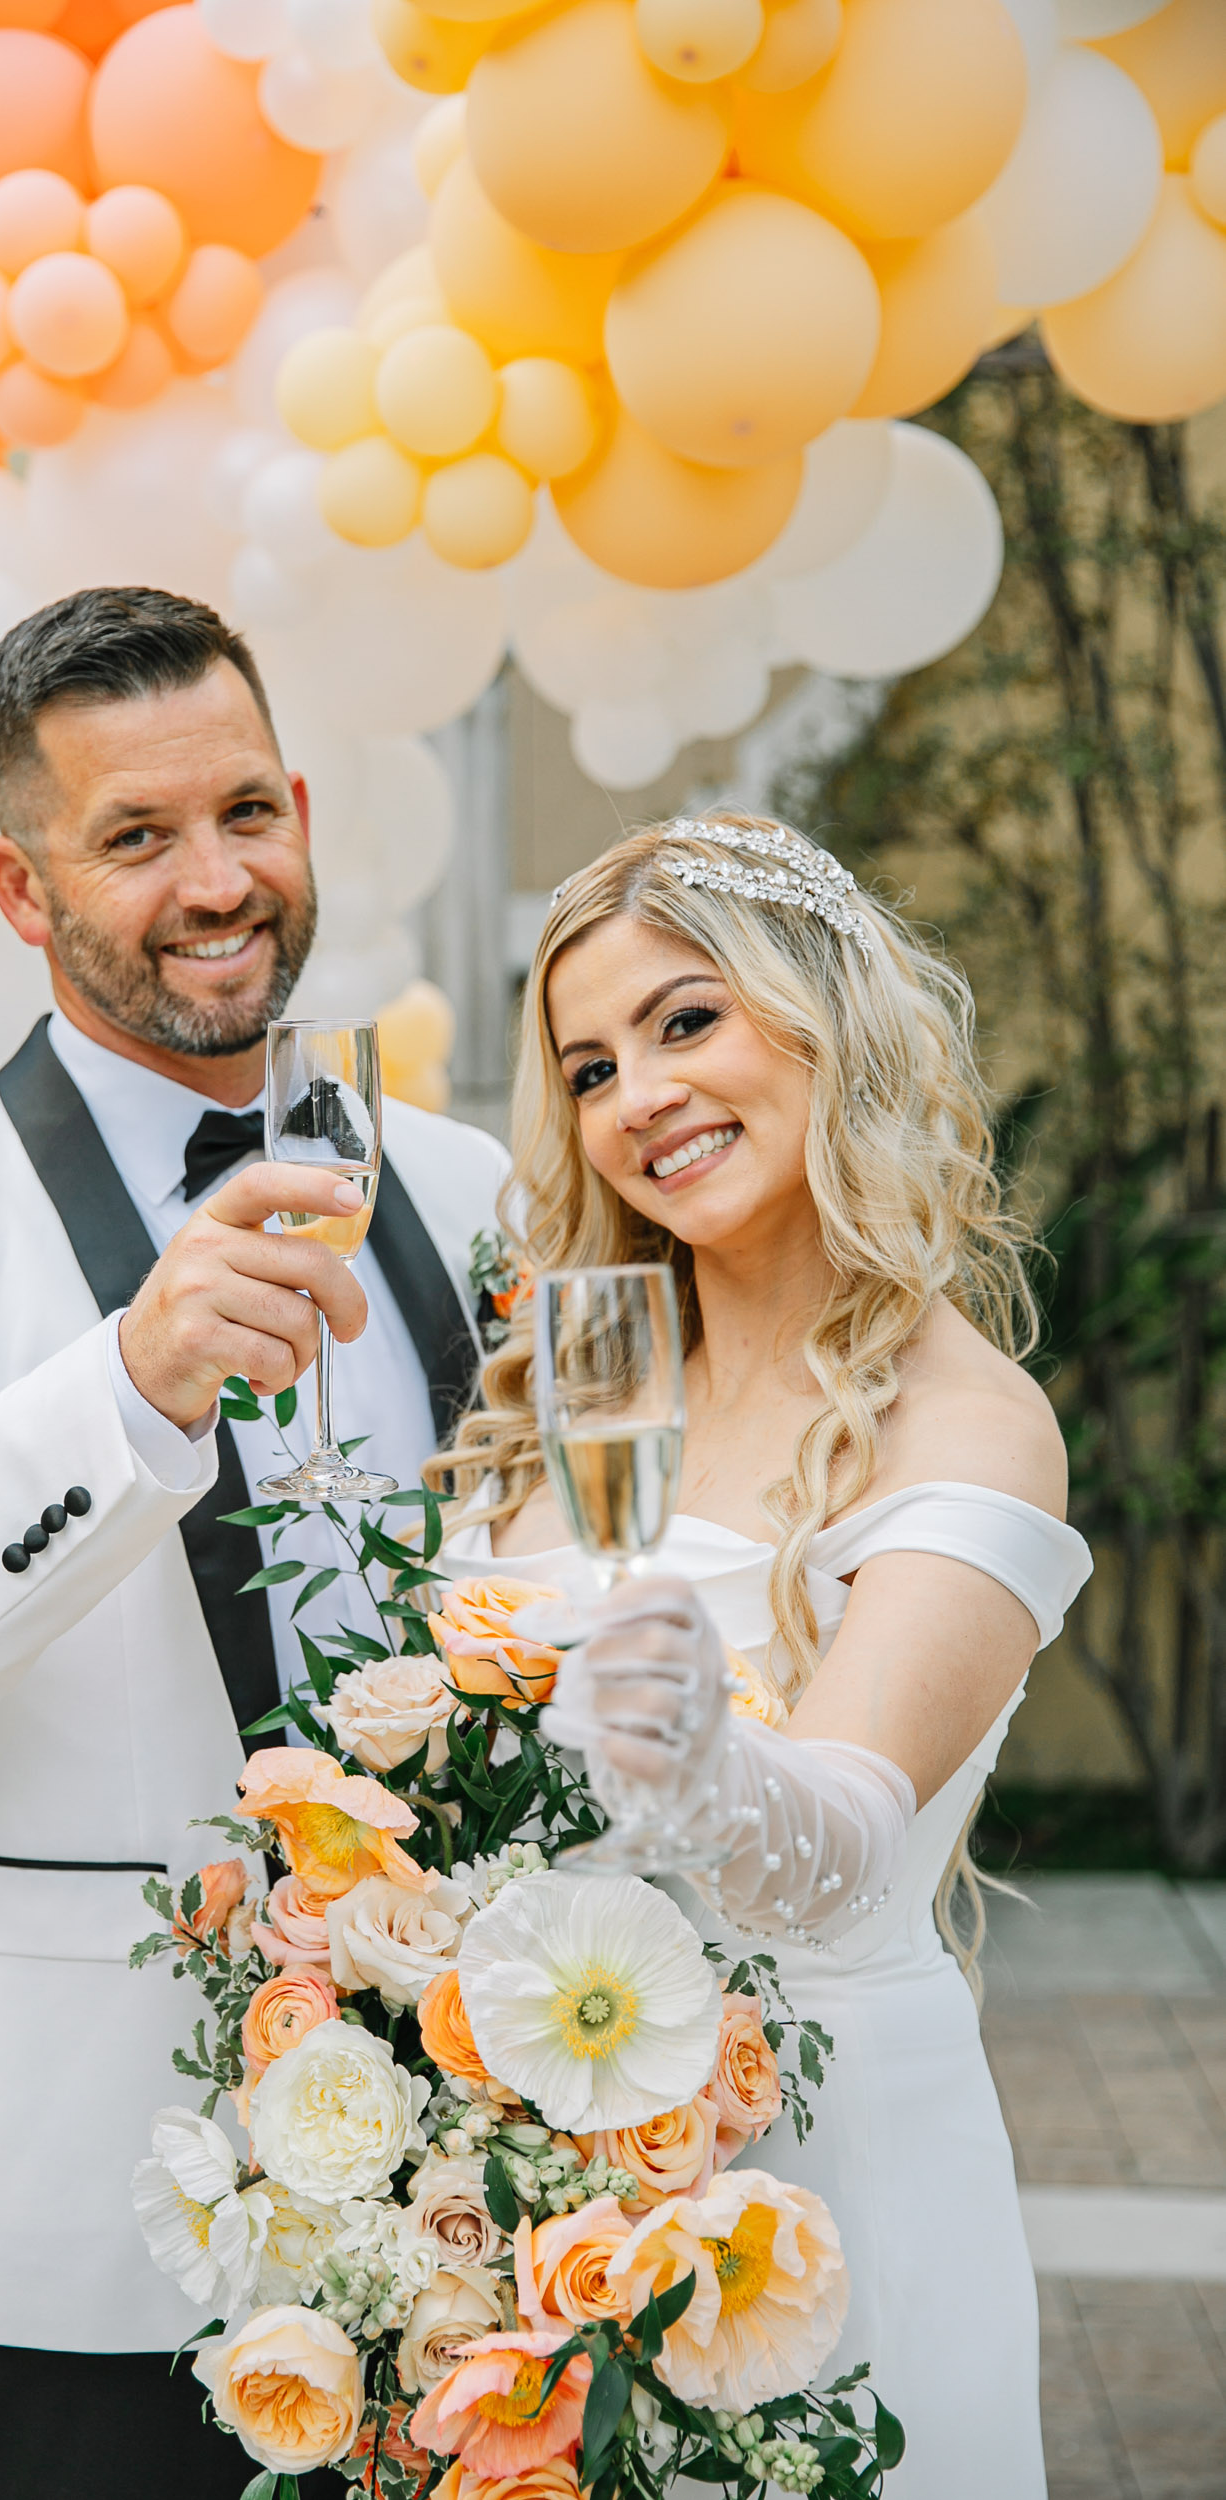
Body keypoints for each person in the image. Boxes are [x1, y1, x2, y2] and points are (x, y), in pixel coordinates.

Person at [0, 587, 508, 2498]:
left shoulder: (472, 1185)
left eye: (245, 812)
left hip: (468, 2237)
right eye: (136, 837)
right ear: (21, 886)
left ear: (303, 811)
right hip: (72, 2249)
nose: (215, 882)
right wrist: (125, 1394)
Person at [431, 816, 1091, 2497]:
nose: (639, 1097)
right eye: (590, 1069)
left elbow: (840, 1844)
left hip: (821, 2176)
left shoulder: (966, 1424)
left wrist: (697, 1754)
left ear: (822, 1017)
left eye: (686, 1021)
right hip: (539, 2192)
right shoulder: (576, 1390)